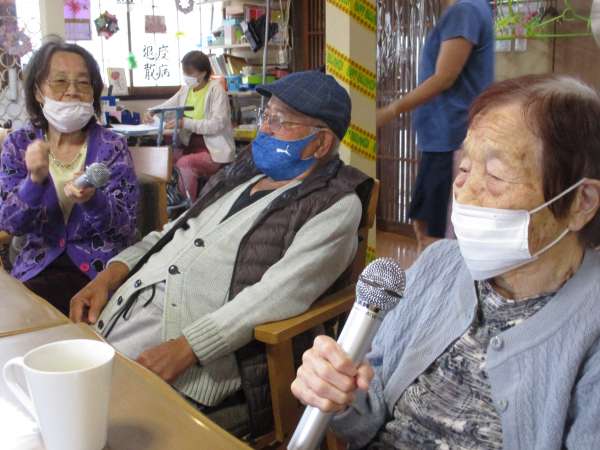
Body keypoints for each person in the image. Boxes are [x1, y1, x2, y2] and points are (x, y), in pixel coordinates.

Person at [291, 75, 600, 449]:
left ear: (581, 203)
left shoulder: (589, 325)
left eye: (496, 175)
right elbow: (369, 412)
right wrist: (340, 394)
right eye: (465, 168)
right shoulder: (437, 264)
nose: (464, 192)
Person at [70, 71, 373, 436]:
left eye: (280, 121)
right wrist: (110, 275)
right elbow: (172, 232)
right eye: (265, 115)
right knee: (58, 401)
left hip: (190, 357)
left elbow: (279, 294)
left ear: (320, 143)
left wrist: (188, 348)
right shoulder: (243, 176)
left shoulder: (336, 205)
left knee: (85, 422)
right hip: (121, 315)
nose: (264, 129)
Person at [0, 37, 138, 315]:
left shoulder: (112, 146)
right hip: (37, 268)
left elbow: (126, 226)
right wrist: (33, 181)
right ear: (38, 91)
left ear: (93, 92)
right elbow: (9, 222)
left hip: (97, 272)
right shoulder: (19, 144)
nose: (73, 91)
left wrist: (92, 200)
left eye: (83, 83)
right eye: (60, 81)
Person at [377, 0, 494, 252]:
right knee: (426, 229)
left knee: (437, 238)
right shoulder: (470, 9)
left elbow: (444, 77)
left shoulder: (465, 10)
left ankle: (439, 277)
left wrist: (391, 110)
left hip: (450, 139)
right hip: (442, 138)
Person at [144, 51, 235, 200]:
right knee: (163, 159)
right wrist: (152, 112)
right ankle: (166, 205)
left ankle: (188, 208)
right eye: (184, 72)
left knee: (185, 164)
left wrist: (185, 123)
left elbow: (217, 124)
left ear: (203, 73)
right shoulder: (186, 90)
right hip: (189, 146)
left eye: (190, 73)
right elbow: (167, 106)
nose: (186, 76)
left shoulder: (217, 91)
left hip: (213, 151)